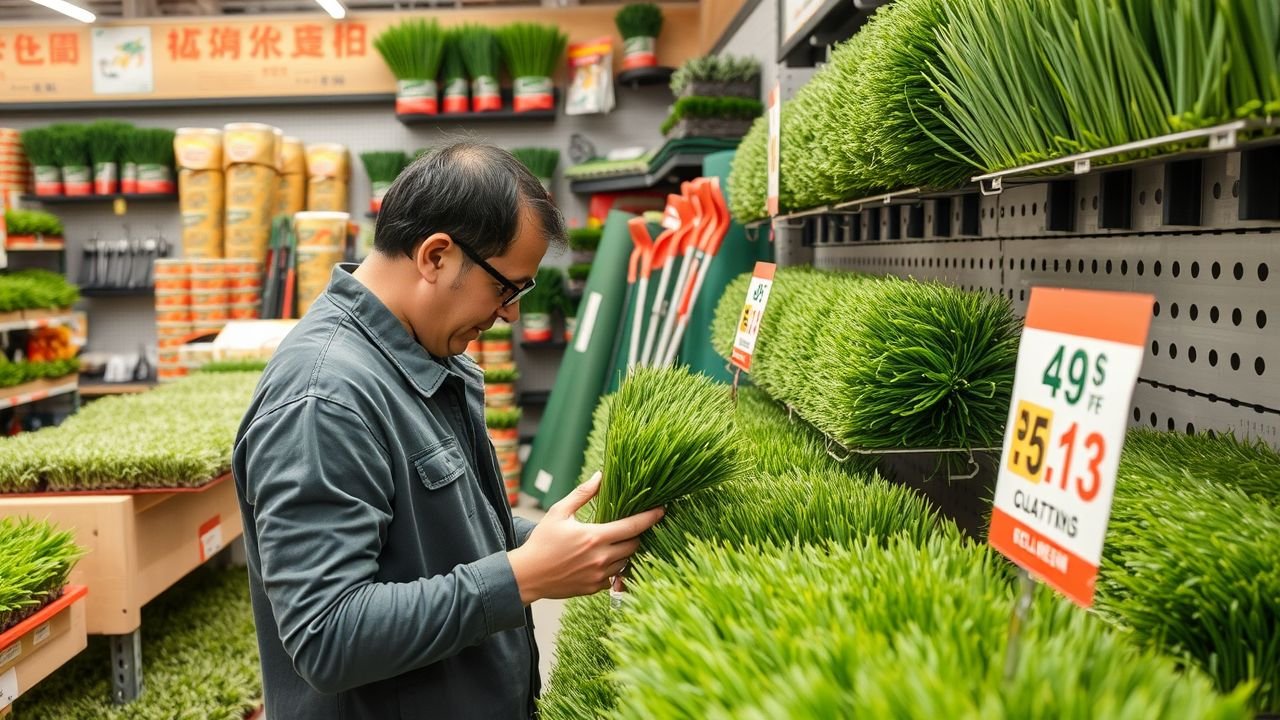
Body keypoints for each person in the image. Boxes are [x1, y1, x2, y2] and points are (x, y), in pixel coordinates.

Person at [232, 143, 664, 719]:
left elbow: (436, 529)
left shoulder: (418, 356)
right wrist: (521, 577)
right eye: (506, 287)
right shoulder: (324, 399)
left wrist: (562, 542)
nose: (510, 313)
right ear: (436, 255)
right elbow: (327, 636)